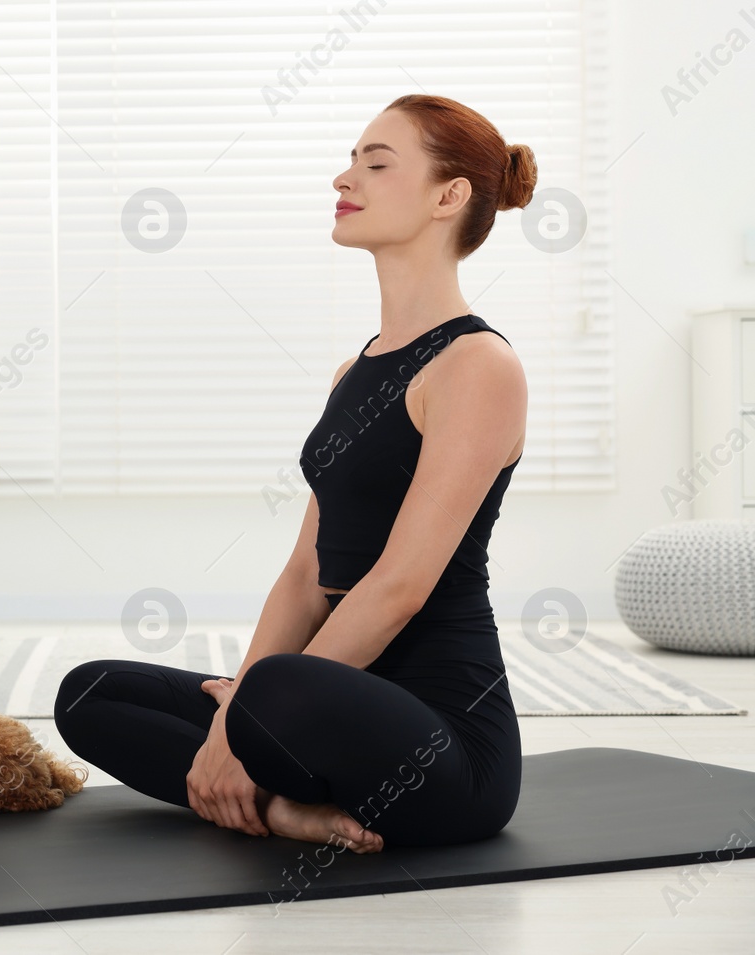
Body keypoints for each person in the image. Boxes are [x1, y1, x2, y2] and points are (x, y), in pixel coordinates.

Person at [54, 94, 534, 851]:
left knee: (275, 686)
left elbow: (400, 586)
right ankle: (281, 810)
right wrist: (240, 703)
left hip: (446, 745)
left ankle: (258, 759)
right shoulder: (355, 370)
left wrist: (248, 715)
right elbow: (308, 571)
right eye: (351, 160)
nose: (345, 179)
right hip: (319, 702)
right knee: (89, 690)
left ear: (450, 196)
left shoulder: (479, 365)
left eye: (376, 164)